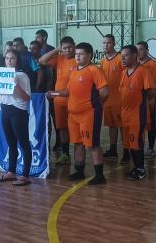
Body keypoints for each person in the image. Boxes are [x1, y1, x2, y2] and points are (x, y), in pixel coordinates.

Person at [48, 42, 110, 185]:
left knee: (92, 144)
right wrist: (55, 93)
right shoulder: (74, 70)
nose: (78, 56)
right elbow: (68, 91)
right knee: (77, 143)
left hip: (89, 114)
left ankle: (100, 176)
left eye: (81, 54)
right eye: (76, 54)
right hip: (73, 115)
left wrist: (95, 105)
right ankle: (79, 171)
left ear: (89, 55)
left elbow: (105, 92)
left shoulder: (94, 70)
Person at [0, 49, 33, 186]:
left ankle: (25, 175)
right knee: (11, 143)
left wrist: (15, 85)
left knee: (23, 143)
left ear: (17, 60)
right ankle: (11, 171)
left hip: (18, 111)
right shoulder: (2, 75)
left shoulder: (22, 76)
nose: (9, 61)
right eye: (7, 58)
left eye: (12, 58)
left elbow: (27, 97)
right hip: (5, 110)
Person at [119, 45, 156, 180]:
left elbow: (151, 91)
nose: (122, 58)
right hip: (125, 113)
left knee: (137, 143)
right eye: (121, 56)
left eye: (126, 56)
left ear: (135, 55)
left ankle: (140, 170)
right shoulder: (123, 72)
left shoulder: (143, 71)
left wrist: (143, 102)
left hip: (137, 114)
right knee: (129, 143)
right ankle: (136, 167)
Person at [39, 36, 77, 165]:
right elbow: (42, 60)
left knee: (75, 129)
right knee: (62, 128)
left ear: (74, 46)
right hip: (59, 100)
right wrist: (57, 49)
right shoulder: (59, 59)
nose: (67, 50)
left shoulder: (79, 60)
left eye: (70, 47)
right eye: (64, 48)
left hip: (74, 100)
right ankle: (66, 154)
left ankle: (79, 156)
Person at [99, 34, 127, 163]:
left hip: (120, 99)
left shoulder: (121, 59)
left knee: (123, 126)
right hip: (107, 99)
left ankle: (126, 151)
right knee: (111, 126)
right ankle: (113, 149)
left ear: (114, 43)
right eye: (104, 43)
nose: (106, 45)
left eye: (108, 43)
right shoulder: (103, 60)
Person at [136, 41, 156, 158]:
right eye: (137, 50)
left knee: (151, 124)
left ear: (147, 50)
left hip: (148, 99)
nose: (138, 52)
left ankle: (151, 148)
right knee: (138, 123)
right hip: (137, 100)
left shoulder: (153, 64)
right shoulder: (135, 64)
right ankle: (138, 146)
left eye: (141, 49)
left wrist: (151, 97)